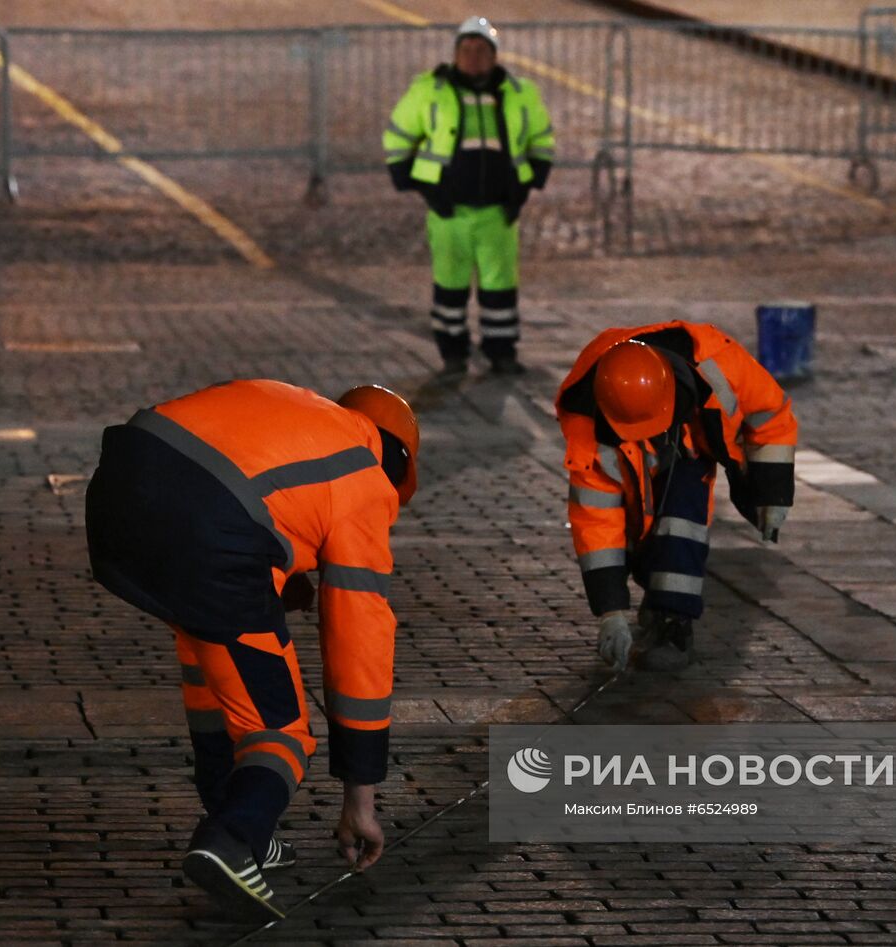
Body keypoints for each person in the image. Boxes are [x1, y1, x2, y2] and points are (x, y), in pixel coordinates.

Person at [84, 380, 419, 921]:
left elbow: (250, 488)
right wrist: (361, 795)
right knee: (280, 729)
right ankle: (232, 837)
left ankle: (233, 812)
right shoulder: (365, 476)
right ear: (400, 464)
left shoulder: (304, 412)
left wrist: (280, 580)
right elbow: (359, 640)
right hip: (211, 534)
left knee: (211, 657)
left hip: (120, 491)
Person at [555, 322, 799, 671]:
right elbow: (597, 522)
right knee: (640, 522)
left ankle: (674, 622)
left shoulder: (723, 364)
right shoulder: (589, 426)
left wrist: (773, 495)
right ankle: (657, 604)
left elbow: (773, 417)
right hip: (645, 427)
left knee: (682, 516)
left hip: (692, 440)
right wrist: (610, 612)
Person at [383, 16, 555, 377]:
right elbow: (398, 136)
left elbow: (541, 137)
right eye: (466, 50)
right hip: (449, 213)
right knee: (450, 285)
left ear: (494, 56)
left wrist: (529, 183)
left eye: (481, 50)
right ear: (455, 54)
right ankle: (453, 354)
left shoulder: (519, 93)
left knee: (501, 288)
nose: (473, 57)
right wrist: (421, 186)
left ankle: (502, 352)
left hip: (499, 212)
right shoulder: (430, 90)